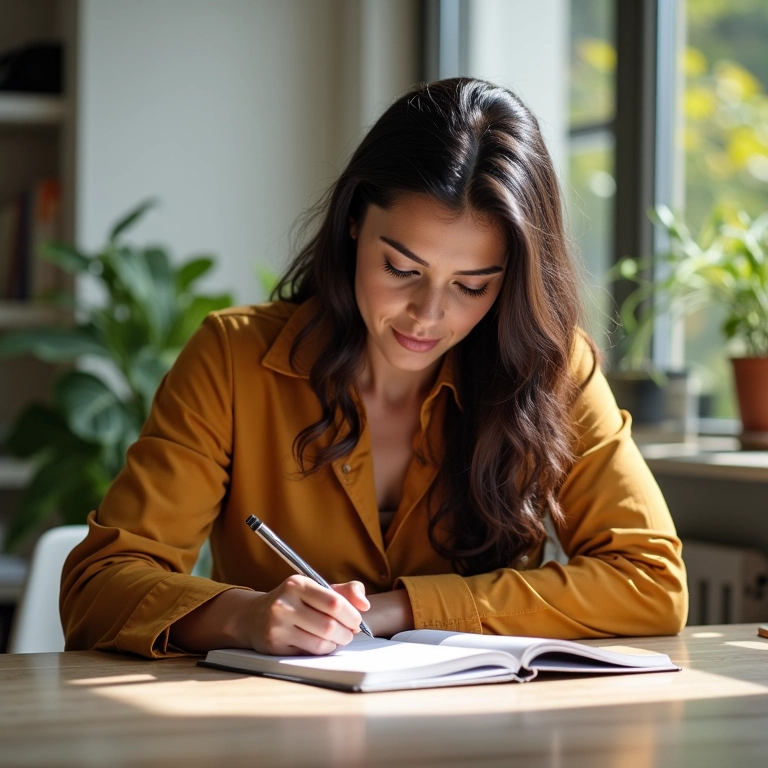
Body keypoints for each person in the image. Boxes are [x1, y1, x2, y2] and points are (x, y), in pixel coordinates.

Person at [61, 78, 688, 659]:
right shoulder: (233, 359)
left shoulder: (552, 369)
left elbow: (652, 581)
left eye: (472, 286)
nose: (427, 315)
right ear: (355, 222)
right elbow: (99, 584)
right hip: (272, 721)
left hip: (485, 721)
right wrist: (243, 617)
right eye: (401, 269)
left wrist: (400, 610)